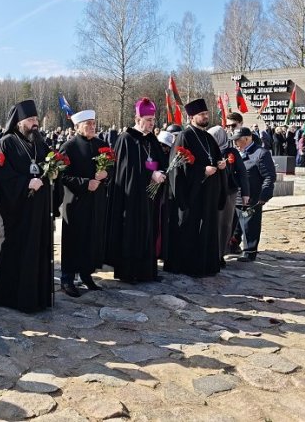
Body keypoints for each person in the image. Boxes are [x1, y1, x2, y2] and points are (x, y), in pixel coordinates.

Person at [0, 100, 54, 313]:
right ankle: (11, 298)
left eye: (36, 119)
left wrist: (53, 173)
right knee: (15, 251)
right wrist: (26, 182)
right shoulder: (6, 143)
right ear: (18, 122)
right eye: (31, 120)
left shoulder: (40, 143)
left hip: (37, 210)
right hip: (14, 212)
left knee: (35, 250)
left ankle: (35, 296)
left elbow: (47, 165)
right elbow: (0, 175)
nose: (35, 124)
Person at [105, 98, 167, 283]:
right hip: (131, 197)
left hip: (149, 194)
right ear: (137, 118)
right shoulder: (126, 139)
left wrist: (162, 172)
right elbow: (126, 171)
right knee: (132, 231)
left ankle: (147, 271)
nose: (152, 123)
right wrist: (150, 175)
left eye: (153, 120)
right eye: (148, 119)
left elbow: (159, 160)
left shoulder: (151, 139)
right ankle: (130, 272)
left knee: (149, 230)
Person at [164, 98, 226, 278]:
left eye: (206, 114)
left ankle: (207, 264)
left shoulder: (208, 137)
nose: (206, 117)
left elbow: (213, 157)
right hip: (192, 193)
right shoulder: (184, 136)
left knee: (207, 228)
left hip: (208, 193)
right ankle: (189, 266)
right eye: (202, 114)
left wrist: (220, 165)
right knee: (191, 229)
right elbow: (178, 167)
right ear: (191, 117)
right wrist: (202, 172)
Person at [58, 109, 109, 296]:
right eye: (87, 124)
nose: (92, 127)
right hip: (76, 201)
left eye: (93, 124)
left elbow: (111, 168)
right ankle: (67, 279)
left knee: (91, 238)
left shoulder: (101, 144)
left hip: (95, 202)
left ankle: (86, 274)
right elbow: (62, 175)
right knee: (74, 239)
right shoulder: (68, 147)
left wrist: (106, 174)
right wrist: (86, 183)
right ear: (77, 126)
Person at [233, 127, 276, 262]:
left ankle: (249, 251)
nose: (235, 144)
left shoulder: (261, 153)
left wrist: (264, 195)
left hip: (252, 196)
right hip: (237, 196)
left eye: (237, 141)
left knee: (250, 225)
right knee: (236, 225)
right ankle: (233, 245)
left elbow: (269, 176)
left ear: (246, 139)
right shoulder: (236, 153)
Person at [208, 126, 249, 266]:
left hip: (228, 193)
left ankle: (220, 254)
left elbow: (242, 173)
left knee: (224, 223)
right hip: (211, 192)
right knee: (211, 222)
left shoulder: (231, 152)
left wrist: (245, 193)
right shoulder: (208, 150)